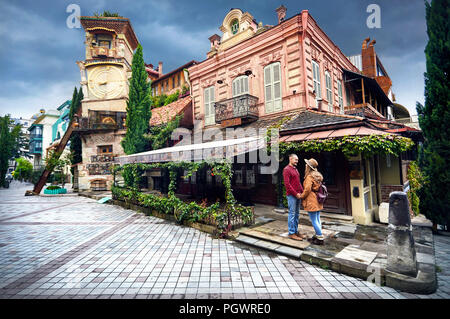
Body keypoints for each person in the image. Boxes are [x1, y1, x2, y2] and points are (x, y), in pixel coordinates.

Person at [300, 158, 325, 245]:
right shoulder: (317, 175)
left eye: (306, 164)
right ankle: (317, 235)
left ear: (309, 167)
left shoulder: (309, 177)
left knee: (314, 220)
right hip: (317, 199)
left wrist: (301, 196)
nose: (305, 165)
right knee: (317, 218)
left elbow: (307, 189)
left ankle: (320, 238)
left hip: (311, 200)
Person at [282, 154, 306, 241]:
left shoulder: (295, 169)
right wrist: (296, 194)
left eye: (297, 160)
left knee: (297, 214)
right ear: (290, 159)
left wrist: (302, 192)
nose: (297, 161)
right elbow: (287, 185)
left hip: (298, 195)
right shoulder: (286, 170)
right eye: (295, 159)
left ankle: (295, 231)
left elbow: (298, 182)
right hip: (292, 196)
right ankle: (291, 233)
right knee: (292, 214)